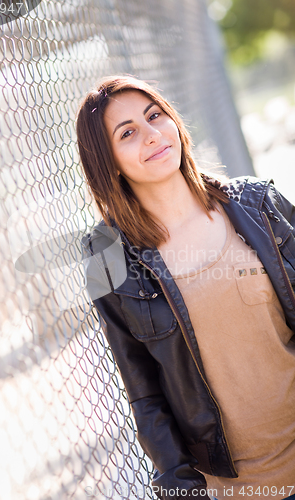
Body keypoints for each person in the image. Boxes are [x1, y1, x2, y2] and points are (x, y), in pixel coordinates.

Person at [76, 75, 295, 500]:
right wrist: (178, 483)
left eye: (155, 115)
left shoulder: (256, 204)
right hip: (245, 486)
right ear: (108, 162)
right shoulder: (109, 259)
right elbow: (141, 386)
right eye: (128, 133)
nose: (153, 135)